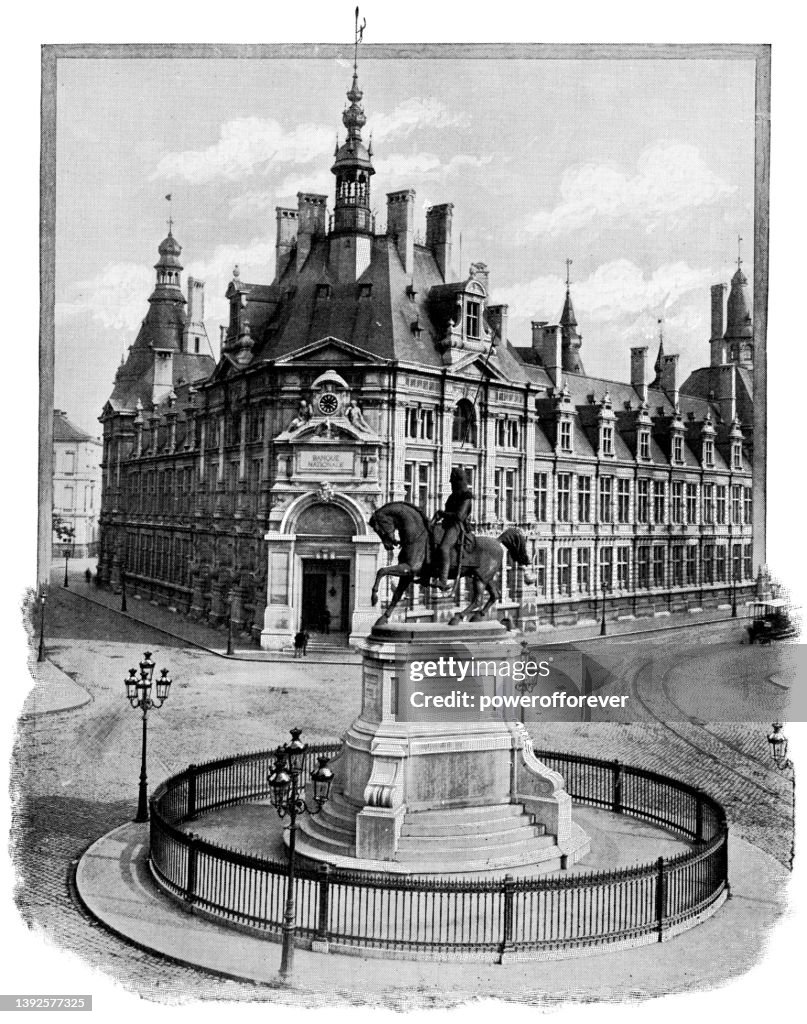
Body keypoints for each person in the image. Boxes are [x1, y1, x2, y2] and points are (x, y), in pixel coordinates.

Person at [431, 467, 474, 591]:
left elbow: (460, 516)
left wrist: (443, 514)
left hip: (456, 526)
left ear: (458, 481)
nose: (451, 484)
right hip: (446, 524)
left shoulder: (466, 496)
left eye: (452, 481)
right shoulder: (452, 496)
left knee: (444, 547)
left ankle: (443, 580)